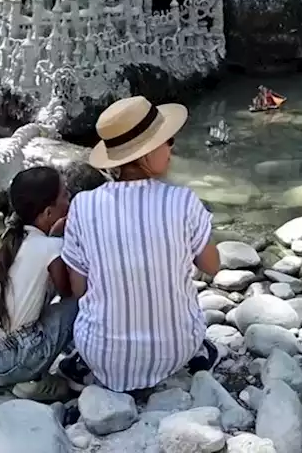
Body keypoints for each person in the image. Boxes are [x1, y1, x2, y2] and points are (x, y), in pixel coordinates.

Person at [56, 96, 221, 392]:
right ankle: (192, 356)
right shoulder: (182, 201)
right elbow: (212, 265)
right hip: (177, 348)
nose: (172, 147)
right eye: (167, 140)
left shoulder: (82, 206)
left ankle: (86, 364)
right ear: (146, 153)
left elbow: (79, 290)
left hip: (102, 354)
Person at [0, 166, 77, 401]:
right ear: (49, 213)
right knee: (76, 304)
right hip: (16, 358)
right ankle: (32, 382)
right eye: (65, 195)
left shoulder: (14, 238)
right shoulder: (50, 248)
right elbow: (67, 292)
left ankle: (4, 379)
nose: (69, 198)